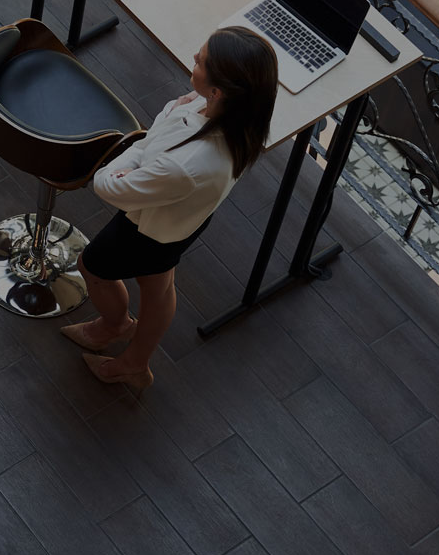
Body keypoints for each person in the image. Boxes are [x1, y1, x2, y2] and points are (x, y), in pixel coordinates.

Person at [63, 26, 279, 391]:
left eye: (202, 61)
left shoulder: (188, 162)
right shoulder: (239, 119)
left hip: (146, 230)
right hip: (181, 220)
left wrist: (144, 146)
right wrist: (159, 135)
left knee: (92, 266)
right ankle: (135, 362)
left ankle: (116, 325)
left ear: (218, 91)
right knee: (159, 283)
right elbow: (168, 125)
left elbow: (110, 185)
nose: (194, 56)